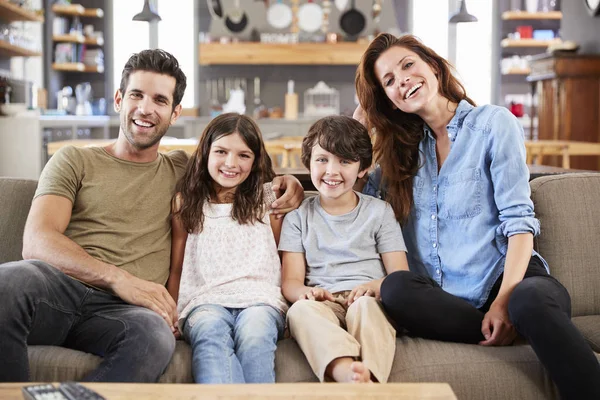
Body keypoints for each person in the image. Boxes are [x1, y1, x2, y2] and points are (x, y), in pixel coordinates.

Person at [0, 49, 304, 382]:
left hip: (124, 313)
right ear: (119, 99)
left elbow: (238, 173)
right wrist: (119, 278)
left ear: (174, 113)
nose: (146, 109)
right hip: (60, 290)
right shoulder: (74, 160)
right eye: (137, 95)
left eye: (159, 100)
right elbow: (37, 241)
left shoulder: (183, 171)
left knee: (155, 339)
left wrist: (291, 183)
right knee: (10, 280)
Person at [354, 33, 600, 399]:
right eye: (388, 81)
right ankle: (503, 329)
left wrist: (502, 303)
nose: (402, 79)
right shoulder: (399, 156)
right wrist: (361, 124)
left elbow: (519, 224)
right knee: (396, 288)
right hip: (448, 305)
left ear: (433, 67)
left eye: (408, 65)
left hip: (512, 283)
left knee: (528, 302)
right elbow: (356, 206)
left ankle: (518, 322)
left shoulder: (491, 124)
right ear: (387, 99)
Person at [279, 115, 408, 384]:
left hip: (369, 300)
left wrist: (373, 286)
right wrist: (306, 292)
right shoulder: (297, 218)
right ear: (309, 162)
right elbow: (291, 281)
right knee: (299, 312)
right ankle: (346, 373)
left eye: (345, 161)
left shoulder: (379, 212)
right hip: (323, 302)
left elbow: (400, 277)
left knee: (366, 309)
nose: (332, 171)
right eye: (322, 159)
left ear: (363, 169)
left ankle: (370, 376)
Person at [167, 113, 287, 384]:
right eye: (221, 151)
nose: (231, 163)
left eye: (244, 155)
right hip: (204, 302)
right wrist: (171, 311)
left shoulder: (269, 199)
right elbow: (177, 267)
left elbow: (282, 257)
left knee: (256, 335)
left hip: (261, 301)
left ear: (256, 161)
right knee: (210, 335)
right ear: (205, 152)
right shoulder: (185, 202)